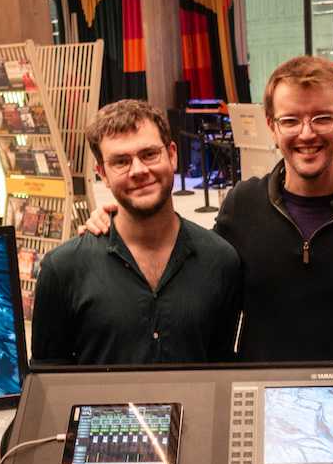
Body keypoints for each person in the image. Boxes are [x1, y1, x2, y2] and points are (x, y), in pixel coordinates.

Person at [84, 56, 333, 362]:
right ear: (272, 127)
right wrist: (122, 219)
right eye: (291, 120)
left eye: (322, 118)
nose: (306, 133)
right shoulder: (241, 206)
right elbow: (196, 268)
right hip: (264, 409)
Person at [31, 100, 240, 365]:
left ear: (172, 155)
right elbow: (47, 384)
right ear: (102, 174)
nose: (139, 170)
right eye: (121, 161)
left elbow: (222, 370)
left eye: (149, 154)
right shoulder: (63, 269)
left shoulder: (220, 261)